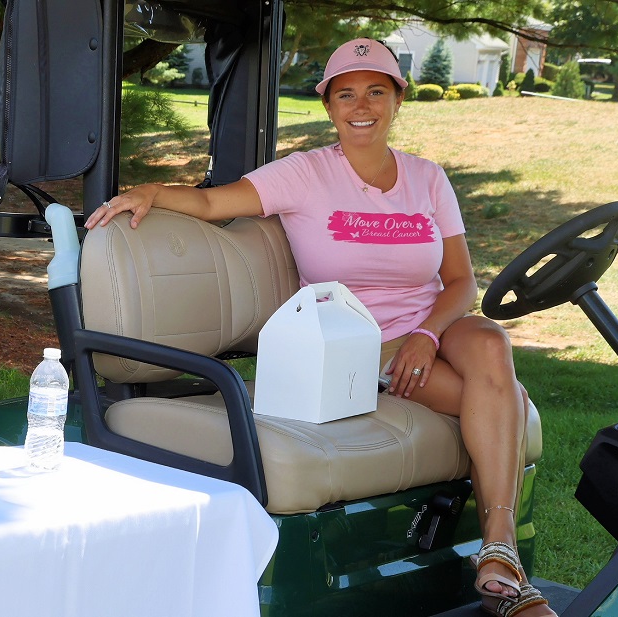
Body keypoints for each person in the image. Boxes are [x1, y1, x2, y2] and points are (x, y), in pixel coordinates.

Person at [84, 39, 550, 617]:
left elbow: (460, 282)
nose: (362, 105)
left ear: (397, 99)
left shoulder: (428, 179)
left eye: (376, 91)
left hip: (430, 330)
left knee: (488, 340)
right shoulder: (304, 174)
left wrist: (427, 336)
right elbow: (212, 204)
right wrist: (153, 192)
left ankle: (499, 549)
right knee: (505, 402)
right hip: (354, 343)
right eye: (346, 93)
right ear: (329, 105)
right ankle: (505, 569)